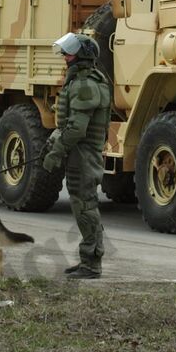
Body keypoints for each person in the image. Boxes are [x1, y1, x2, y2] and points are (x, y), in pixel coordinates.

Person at [41, 32, 111, 279]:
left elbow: (76, 128)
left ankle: (91, 264)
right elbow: (67, 124)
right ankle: (88, 259)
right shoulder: (79, 81)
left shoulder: (85, 84)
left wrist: (55, 154)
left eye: (69, 53)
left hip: (83, 155)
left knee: (85, 207)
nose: (65, 57)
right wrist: (52, 143)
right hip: (79, 154)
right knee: (82, 206)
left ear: (81, 56)